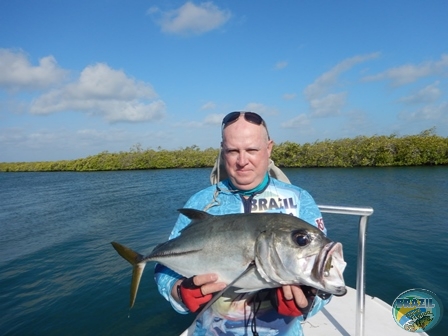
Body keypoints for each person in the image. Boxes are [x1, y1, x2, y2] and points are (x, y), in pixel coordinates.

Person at [154, 111, 330, 336]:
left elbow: (326, 272)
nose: (242, 161)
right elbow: (163, 266)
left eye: (252, 150)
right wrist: (178, 292)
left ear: (269, 148)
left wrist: (308, 301)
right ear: (222, 150)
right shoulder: (201, 202)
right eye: (232, 151)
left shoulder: (299, 200)